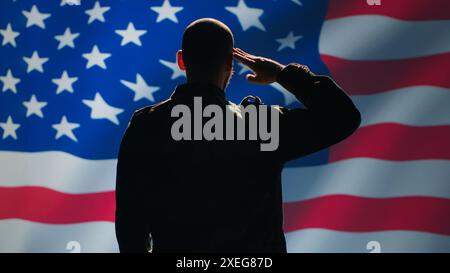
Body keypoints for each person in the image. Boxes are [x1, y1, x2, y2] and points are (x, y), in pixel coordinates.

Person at [115, 18, 361, 253]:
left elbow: (130, 223)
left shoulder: (147, 125)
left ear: (181, 60)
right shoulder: (259, 125)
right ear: (230, 64)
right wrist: (283, 74)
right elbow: (342, 117)